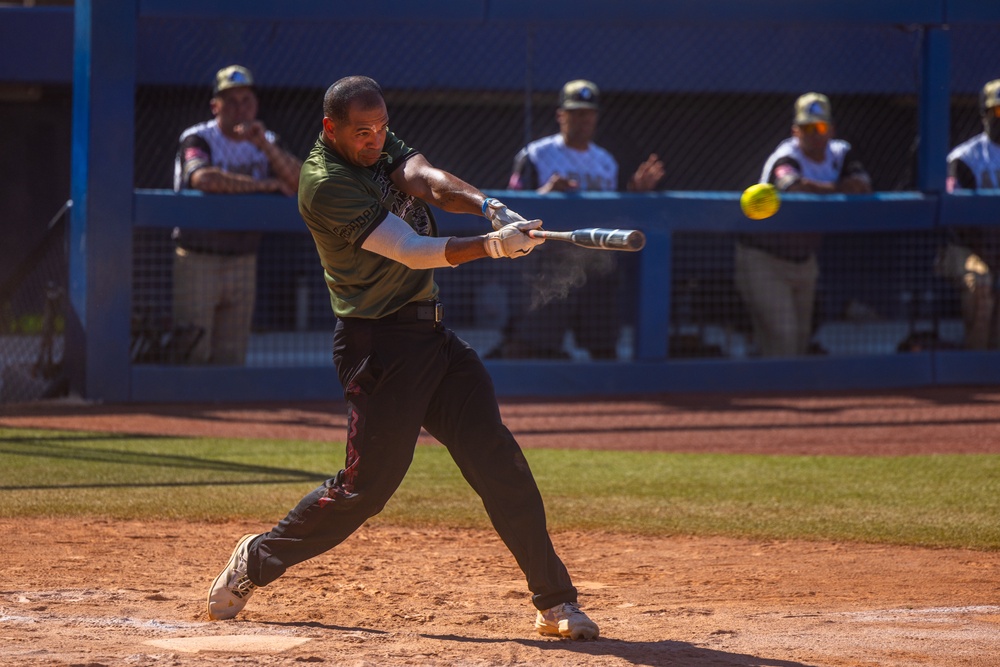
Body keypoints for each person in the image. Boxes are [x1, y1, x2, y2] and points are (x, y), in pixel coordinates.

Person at [206, 75, 600, 641]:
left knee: (499, 461)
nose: (374, 140)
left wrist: (488, 206)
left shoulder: (377, 143)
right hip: (378, 347)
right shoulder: (323, 183)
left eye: (381, 129)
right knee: (364, 491)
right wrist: (492, 246)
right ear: (331, 130)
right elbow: (412, 252)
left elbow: (425, 180)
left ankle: (555, 600)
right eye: (362, 133)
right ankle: (258, 558)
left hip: (431, 340)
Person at [492, 79, 664, 360]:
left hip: (595, 259)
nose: (583, 119)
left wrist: (634, 193)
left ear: (596, 116)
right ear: (561, 115)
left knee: (604, 344)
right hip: (548, 259)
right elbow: (511, 209)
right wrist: (546, 193)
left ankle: (607, 401)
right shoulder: (536, 154)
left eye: (588, 112)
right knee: (533, 343)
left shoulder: (606, 161)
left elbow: (614, 211)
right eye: (575, 112)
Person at [171, 65, 303, 365]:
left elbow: (299, 183)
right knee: (192, 353)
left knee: (231, 357)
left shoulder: (266, 140)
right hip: (197, 257)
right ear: (215, 106)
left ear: (256, 105)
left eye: (246, 100)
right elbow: (203, 179)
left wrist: (265, 147)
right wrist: (265, 185)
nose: (240, 108)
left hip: (243, 258)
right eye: (230, 101)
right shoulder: (198, 138)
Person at [735, 92, 872, 357]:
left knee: (799, 341)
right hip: (763, 260)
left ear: (831, 129)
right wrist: (839, 188)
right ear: (795, 131)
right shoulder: (786, 157)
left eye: (820, 127)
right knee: (783, 340)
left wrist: (820, 189)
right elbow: (795, 189)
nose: (815, 134)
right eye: (807, 128)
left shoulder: (840, 153)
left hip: (805, 262)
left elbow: (862, 186)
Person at [938, 78, 1000, 349]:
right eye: (997, 111)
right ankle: (975, 365)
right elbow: (958, 216)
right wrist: (988, 251)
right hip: (964, 249)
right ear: (984, 114)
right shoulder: (964, 158)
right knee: (981, 282)